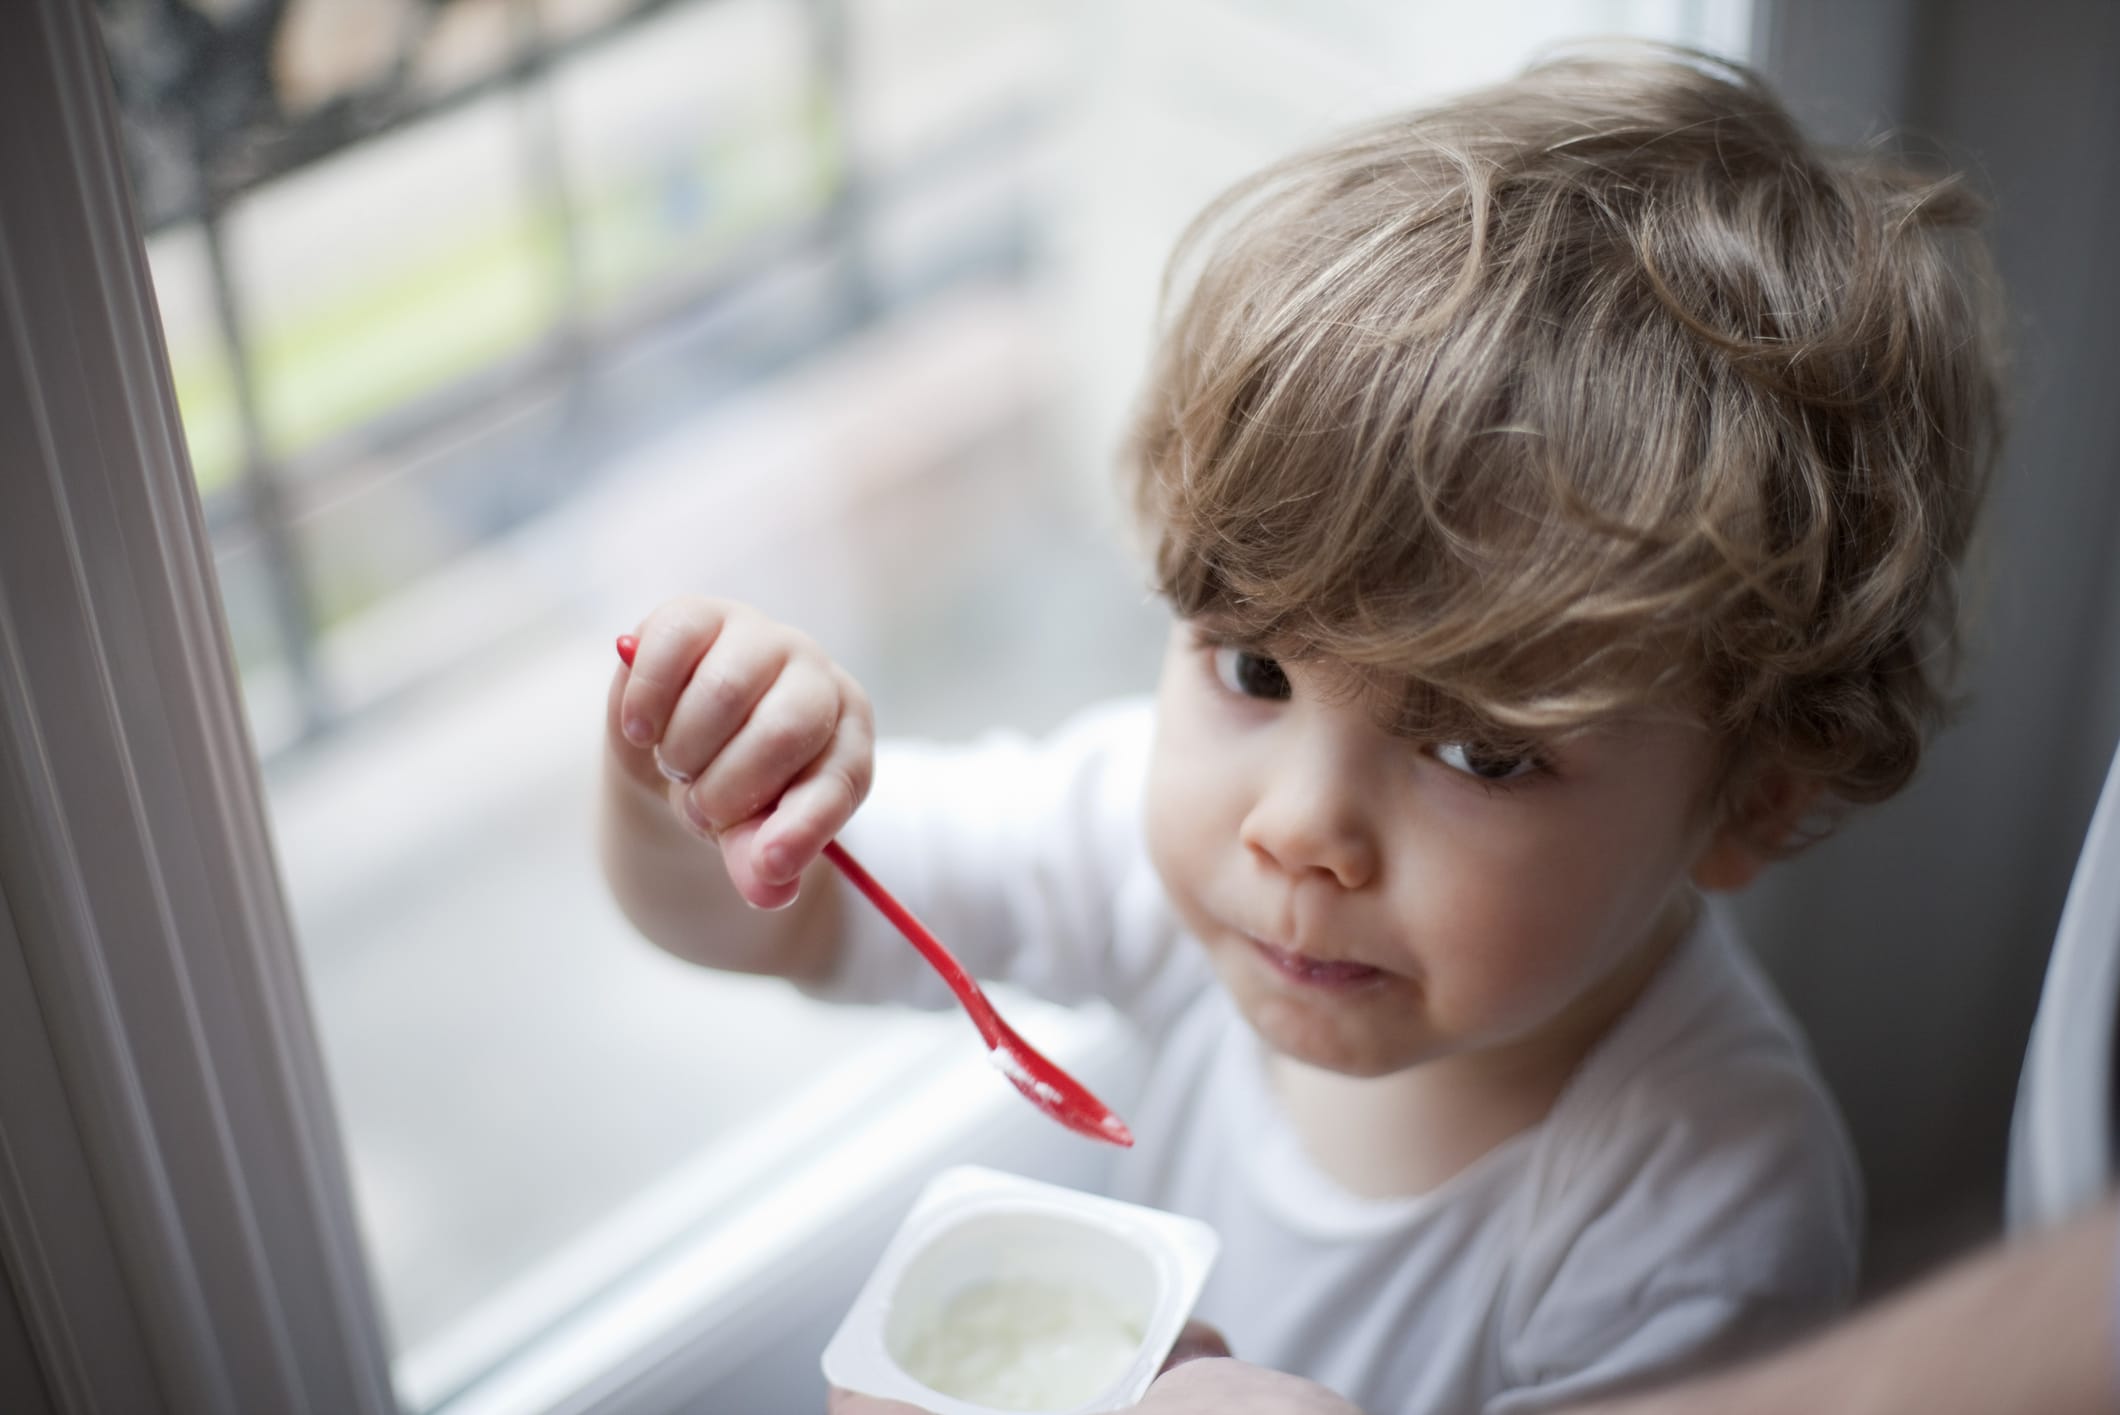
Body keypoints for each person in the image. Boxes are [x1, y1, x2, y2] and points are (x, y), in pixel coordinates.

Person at [600, 44, 2003, 1414]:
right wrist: (703, 793)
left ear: (1755, 794)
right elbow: (770, 922)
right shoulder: (1169, 858)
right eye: (1256, 669)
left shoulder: (1704, 1211)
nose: (1299, 829)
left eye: (1480, 753)